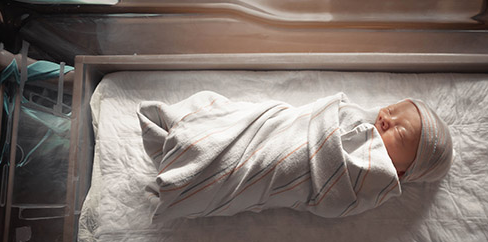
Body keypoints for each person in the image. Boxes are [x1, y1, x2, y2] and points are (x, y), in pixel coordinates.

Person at [138, 92, 452, 221]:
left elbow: (330, 197)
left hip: (280, 167)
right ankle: (192, 143)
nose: (388, 119)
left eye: (400, 134)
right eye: (394, 110)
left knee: (247, 167)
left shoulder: (371, 181)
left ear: (402, 172)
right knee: (225, 117)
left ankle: (190, 172)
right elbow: (310, 119)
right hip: (275, 128)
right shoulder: (355, 118)